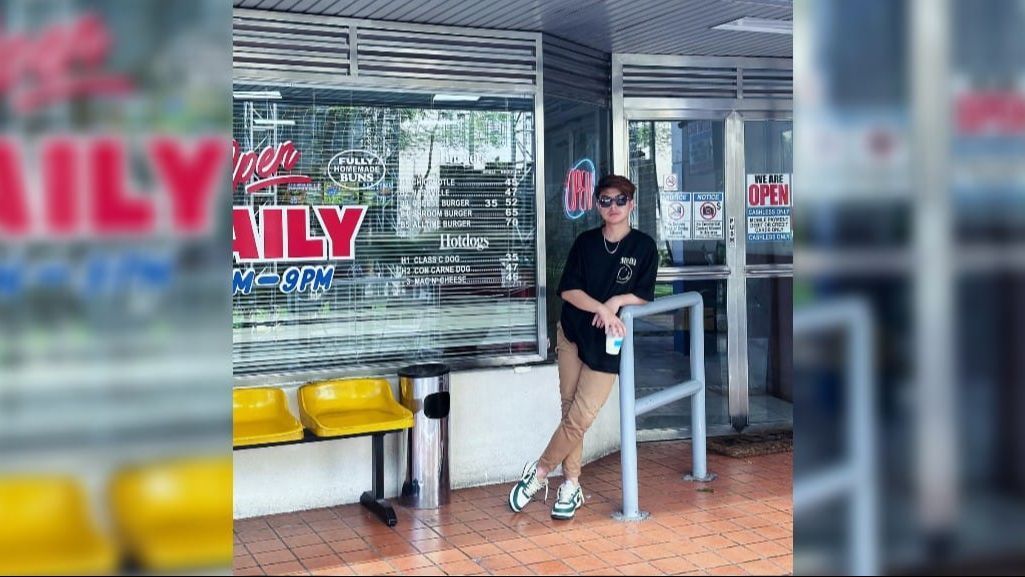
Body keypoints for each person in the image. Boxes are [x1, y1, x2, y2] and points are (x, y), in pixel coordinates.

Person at [508, 174, 658, 520]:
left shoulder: (643, 247)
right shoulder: (586, 242)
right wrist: (603, 308)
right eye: (606, 200)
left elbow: (644, 294)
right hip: (573, 332)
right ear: (596, 205)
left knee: (582, 415)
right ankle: (571, 485)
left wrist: (618, 299)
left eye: (621, 200)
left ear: (632, 204)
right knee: (569, 409)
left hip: (608, 343)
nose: (614, 207)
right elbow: (568, 291)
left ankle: (540, 472)